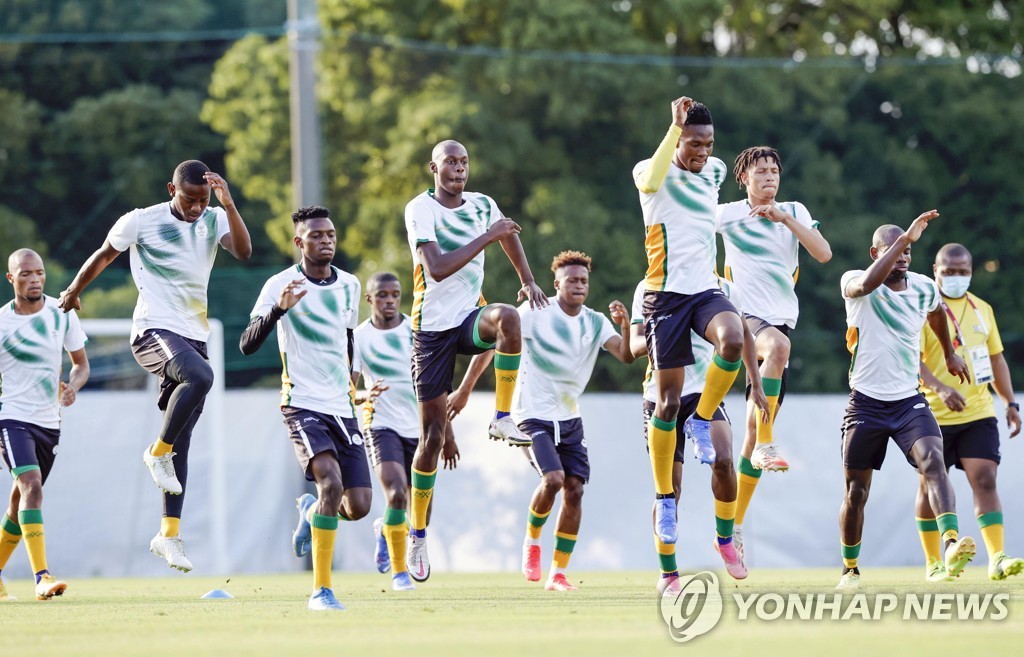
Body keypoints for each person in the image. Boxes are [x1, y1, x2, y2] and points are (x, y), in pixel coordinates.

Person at [58, 160, 251, 572]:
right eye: (190, 199)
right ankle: (155, 452)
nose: (198, 207)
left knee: (182, 436)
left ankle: (168, 535)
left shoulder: (215, 217)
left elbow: (244, 251)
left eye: (203, 201)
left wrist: (229, 205)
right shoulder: (141, 222)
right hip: (152, 332)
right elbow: (105, 255)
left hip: (192, 335)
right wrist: (75, 290)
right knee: (201, 376)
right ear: (171, 189)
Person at [404, 139, 548, 582]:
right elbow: (438, 268)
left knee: (507, 318)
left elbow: (509, 238)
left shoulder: (483, 203)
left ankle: (502, 416)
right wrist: (489, 235)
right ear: (434, 167)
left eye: (465, 162)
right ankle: (418, 534)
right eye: (450, 161)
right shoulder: (420, 209)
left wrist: (526, 280)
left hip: (467, 318)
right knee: (430, 439)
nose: (459, 169)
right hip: (430, 330)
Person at [449, 251, 634, 592]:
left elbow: (625, 354)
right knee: (553, 479)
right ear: (556, 284)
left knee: (575, 490)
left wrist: (625, 324)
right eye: (572, 280)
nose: (579, 286)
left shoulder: (594, 321)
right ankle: (532, 542)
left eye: (583, 281)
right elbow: (495, 345)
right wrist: (464, 390)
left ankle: (558, 574)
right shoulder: (535, 311)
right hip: (531, 415)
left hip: (570, 419)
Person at [240, 205, 370, 610]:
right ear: (299, 242)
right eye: (317, 236)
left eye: (330, 234)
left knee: (359, 506)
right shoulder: (279, 284)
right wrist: (279, 308)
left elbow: (347, 338)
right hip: (301, 403)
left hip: (342, 405)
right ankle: (321, 590)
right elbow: (247, 343)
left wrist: (355, 385)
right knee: (330, 482)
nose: (326, 240)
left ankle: (313, 511)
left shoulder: (349, 285)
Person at [837, 212, 974, 590]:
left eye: (908, 251)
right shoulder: (855, 280)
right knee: (856, 492)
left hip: (908, 402)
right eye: (895, 251)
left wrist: (948, 353)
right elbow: (865, 284)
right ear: (874, 251)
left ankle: (949, 545)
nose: (903, 258)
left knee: (934, 461)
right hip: (865, 403)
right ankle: (850, 568)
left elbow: (936, 313)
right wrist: (904, 238)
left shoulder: (923, 286)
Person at [634, 97, 748, 547]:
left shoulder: (717, 172)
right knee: (665, 404)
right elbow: (651, 183)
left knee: (734, 340)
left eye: (709, 143)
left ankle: (702, 419)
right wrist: (673, 129)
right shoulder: (651, 169)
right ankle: (665, 497)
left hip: (703, 290)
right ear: (679, 139)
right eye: (695, 143)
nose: (703, 152)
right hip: (665, 296)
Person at [716, 145, 832, 559]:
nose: (769, 177)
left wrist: (784, 218)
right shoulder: (727, 213)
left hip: (780, 319)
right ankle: (769, 440)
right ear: (743, 178)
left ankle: (732, 529)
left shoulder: (795, 210)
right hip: (744, 317)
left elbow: (823, 253)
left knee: (746, 443)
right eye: (760, 171)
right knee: (779, 348)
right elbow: (690, 232)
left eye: (774, 171)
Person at [629, 277, 768, 592]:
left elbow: (743, 333)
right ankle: (669, 574)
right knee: (670, 491)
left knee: (724, 459)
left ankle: (725, 539)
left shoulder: (727, 289)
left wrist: (755, 380)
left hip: (703, 395)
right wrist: (662, 336)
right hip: (662, 397)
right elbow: (634, 345)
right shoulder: (649, 287)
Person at [915, 243, 1023, 582]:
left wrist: (1010, 402)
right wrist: (942, 389)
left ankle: (997, 558)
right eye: (949, 272)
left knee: (986, 479)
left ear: (972, 272)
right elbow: (912, 361)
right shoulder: (921, 308)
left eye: (963, 272)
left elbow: (996, 359)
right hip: (931, 414)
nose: (956, 277)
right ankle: (934, 562)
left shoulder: (982, 309)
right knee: (929, 487)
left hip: (978, 411)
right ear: (935, 271)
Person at [352, 272, 459, 591]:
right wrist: (362, 396)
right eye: (382, 295)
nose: (389, 300)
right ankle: (400, 575)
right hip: (380, 425)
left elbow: (437, 388)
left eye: (395, 294)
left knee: (420, 513)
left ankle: (386, 530)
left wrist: (448, 435)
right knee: (396, 493)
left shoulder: (418, 331)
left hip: (422, 430)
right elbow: (350, 386)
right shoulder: (358, 337)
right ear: (369, 299)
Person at [0, 249, 89, 601]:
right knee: (32, 486)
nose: (34, 279)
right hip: (11, 417)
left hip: (49, 423)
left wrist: (73, 386)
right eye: (25, 274)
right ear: (11, 279)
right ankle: (42, 577)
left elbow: (81, 365)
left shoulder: (62, 312)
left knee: (19, 504)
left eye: (39, 273)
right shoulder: (1, 323)